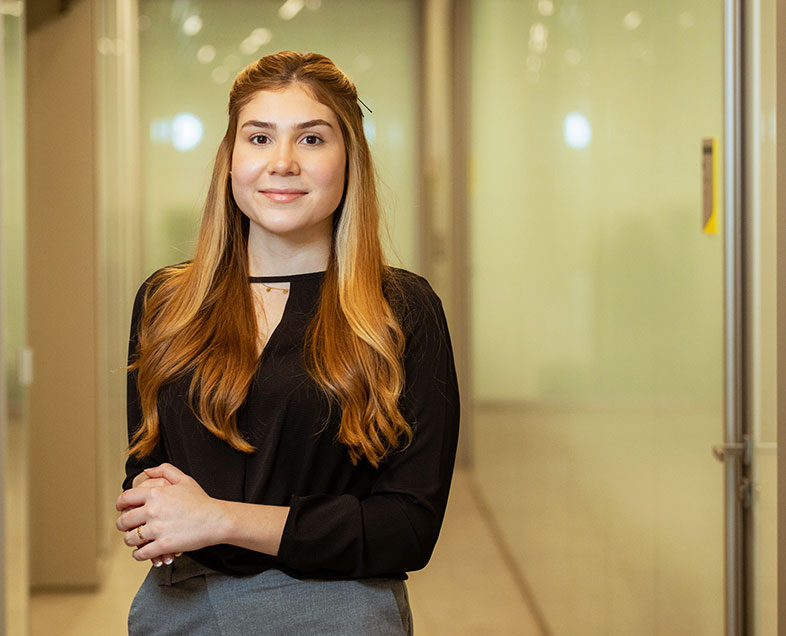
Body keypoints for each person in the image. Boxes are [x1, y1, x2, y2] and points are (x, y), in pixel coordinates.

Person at [115, 50, 459, 636]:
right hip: (177, 615)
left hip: (333, 614)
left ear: (350, 160)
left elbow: (408, 526)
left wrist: (220, 519)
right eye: (258, 137)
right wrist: (150, 511)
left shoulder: (400, 310)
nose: (281, 163)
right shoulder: (167, 302)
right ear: (229, 160)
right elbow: (148, 468)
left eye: (311, 139)